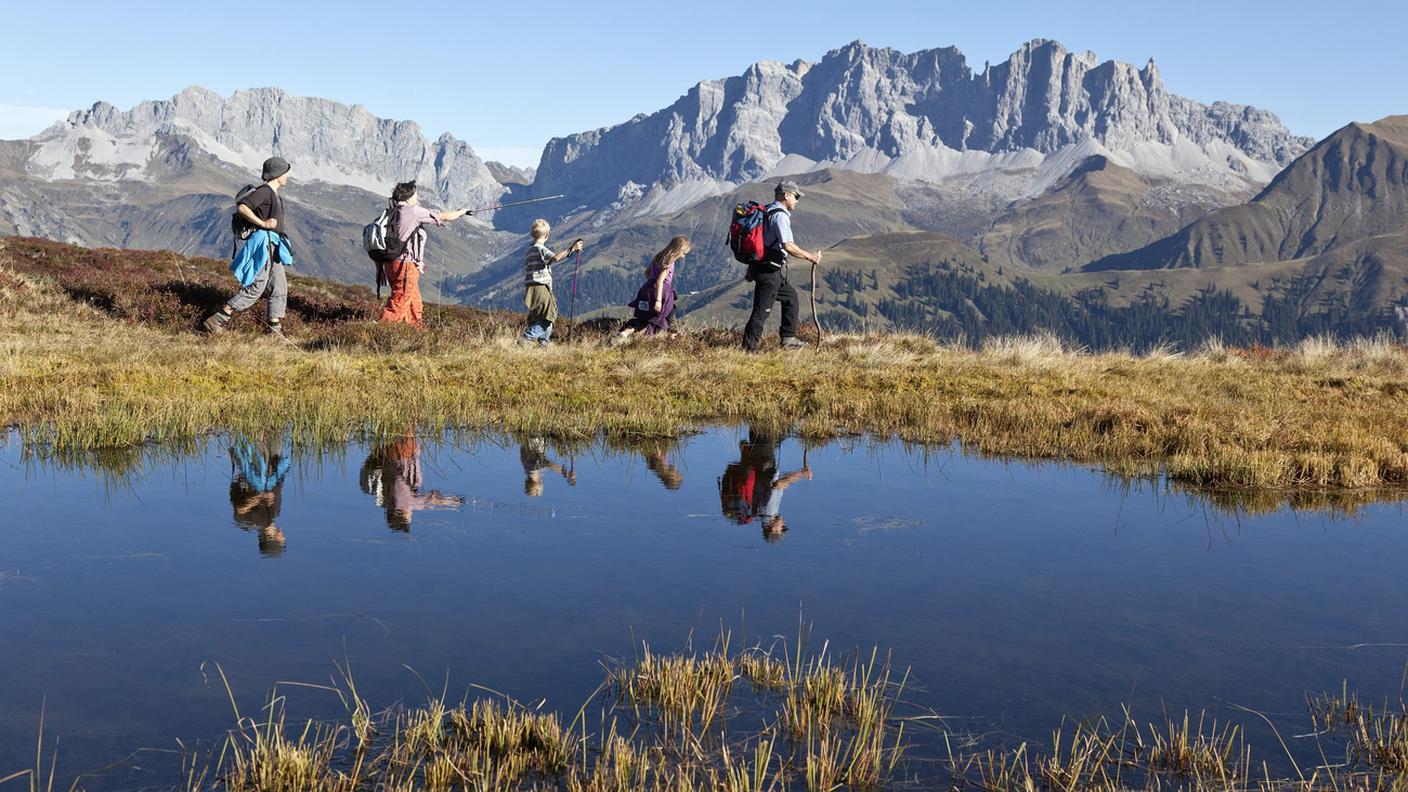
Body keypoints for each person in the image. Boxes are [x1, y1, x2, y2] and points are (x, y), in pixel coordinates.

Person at [202, 157, 295, 336]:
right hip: (264, 244)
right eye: (286, 173)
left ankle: (274, 331)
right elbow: (243, 208)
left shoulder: (274, 194)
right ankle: (217, 320)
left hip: (274, 245)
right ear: (278, 174)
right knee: (257, 285)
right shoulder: (265, 191)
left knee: (279, 287)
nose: (288, 177)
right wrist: (263, 223)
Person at [742, 179, 824, 352]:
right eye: (795, 196)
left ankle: (788, 338)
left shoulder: (767, 211)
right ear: (786, 195)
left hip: (765, 267)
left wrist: (751, 269)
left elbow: (761, 243)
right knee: (761, 311)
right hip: (769, 270)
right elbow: (787, 245)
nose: (797, 200)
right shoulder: (779, 215)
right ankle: (748, 349)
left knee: (790, 298)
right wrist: (810, 256)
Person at [379, 181, 473, 326]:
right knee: (400, 301)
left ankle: (416, 334)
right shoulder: (413, 211)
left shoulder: (393, 210)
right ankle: (377, 333)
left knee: (413, 303)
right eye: (415, 193)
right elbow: (444, 216)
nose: (417, 196)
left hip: (391, 264)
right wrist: (461, 212)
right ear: (409, 196)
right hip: (406, 265)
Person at [718, 429, 812, 541]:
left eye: (782, 528)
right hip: (756, 461)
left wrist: (802, 473)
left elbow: (778, 484)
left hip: (763, 459)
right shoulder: (758, 514)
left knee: (763, 426)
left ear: (773, 529)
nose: (783, 524)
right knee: (761, 427)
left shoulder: (770, 511)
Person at [359, 433, 464, 531]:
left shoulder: (404, 503)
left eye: (409, 516)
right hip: (392, 453)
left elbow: (430, 501)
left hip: (402, 454)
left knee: (407, 428)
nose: (411, 513)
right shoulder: (386, 501)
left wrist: (453, 502)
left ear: (403, 513)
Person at [611, 236, 691, 346]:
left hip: (647, 289)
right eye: (684, 253)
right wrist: (658, 301)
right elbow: (660, 281)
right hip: (661, 292)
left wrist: (650, 288)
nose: (684, 256)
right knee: (669, 316)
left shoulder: (658, 257)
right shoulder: (670, 262)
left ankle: (623, 334)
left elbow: (648, 273)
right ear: (679, 250)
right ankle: (673, 342)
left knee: (643, 318)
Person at [520, 219, 584, 348]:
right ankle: (527, 338)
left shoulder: (529, 250)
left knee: (542, 316)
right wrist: (571, 248)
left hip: (531, 288)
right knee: (548, 316)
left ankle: (543, 344)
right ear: (547, 235)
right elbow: (555, 258)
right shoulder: (540, 249)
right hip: (541, 287)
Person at [228, 436, 291, 556]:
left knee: (256, 435)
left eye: (281, 540)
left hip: (258, 466)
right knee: (275, 432)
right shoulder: (274, 514)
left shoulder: (256, 522)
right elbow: (277, 486)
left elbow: (239, 511)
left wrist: (259, 498)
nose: (283, 536)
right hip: (273, 462)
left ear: (272, 539)